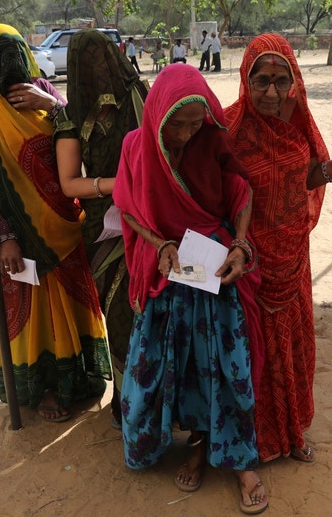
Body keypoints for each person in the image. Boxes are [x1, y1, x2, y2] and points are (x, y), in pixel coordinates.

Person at [113, 64, 268, 515]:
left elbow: (242, 191)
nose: (184, 133)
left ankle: (241, 461)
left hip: (213, 268)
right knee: (161, 367)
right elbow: (127, 208)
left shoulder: (212, 140)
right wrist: (159, 243)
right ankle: (195, 447)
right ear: (157, 116)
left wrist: (239, 244)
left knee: (224, 366)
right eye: (175, 124)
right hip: (169, 271)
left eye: (195, 122)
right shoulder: (135, 148)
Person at [224, 33, 332, 464]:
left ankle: (291, 431)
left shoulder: (299, 119)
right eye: (262, 81)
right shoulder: (228, 130)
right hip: (248, 266)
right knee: (250, 353)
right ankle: (252, 442)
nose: (272, 92)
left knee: (292, 349)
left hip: (292, 259)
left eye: (281, 80)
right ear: (246, 78)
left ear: (293, 78)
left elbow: (312, 176)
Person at [0, 23, 110, 422]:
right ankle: (43, 388)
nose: (9, 66)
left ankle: (75, 381)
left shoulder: (44, 90)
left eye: (15, 53)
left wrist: (48, 100)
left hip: (62, 224)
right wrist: (5, 236)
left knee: (70, 307)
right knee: (31, 313)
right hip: (12, 233)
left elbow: (76, 129)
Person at [54, 29, 148, 430]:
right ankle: (126, 403)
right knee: (119, 311)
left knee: (150, 307)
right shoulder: (71, 115)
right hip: (103, 226)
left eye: (101, 58)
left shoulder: (140, 97)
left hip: (146, 215)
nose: (96, 70)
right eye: (86, 62)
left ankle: (156, 397)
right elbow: (68, 182)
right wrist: (116, 184)